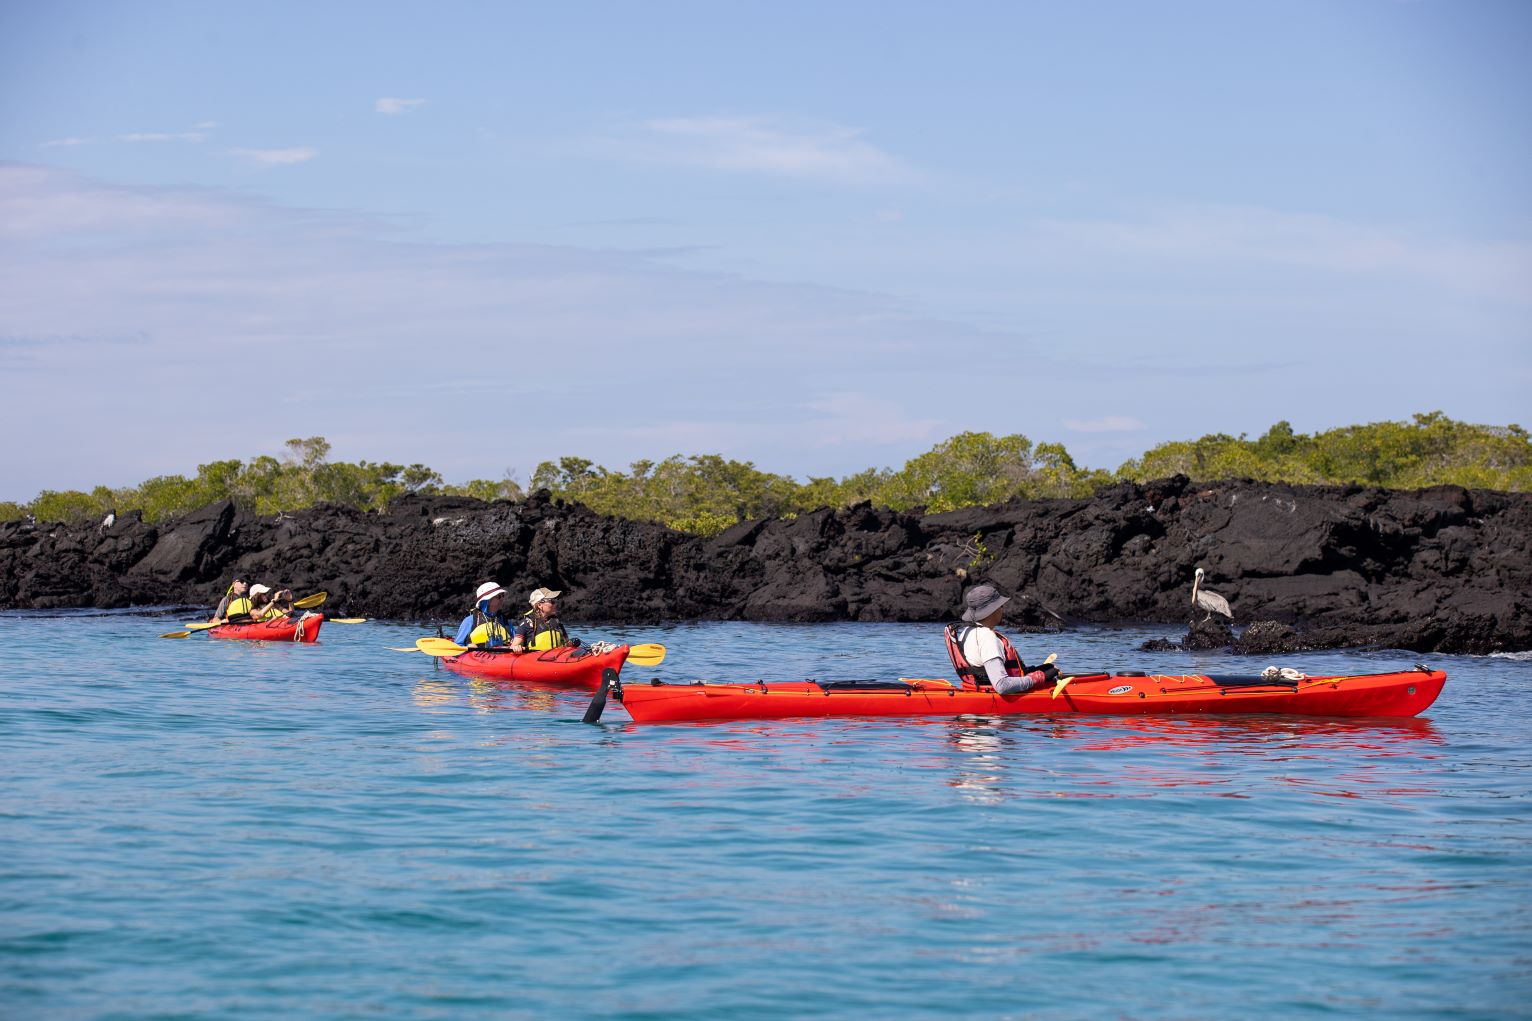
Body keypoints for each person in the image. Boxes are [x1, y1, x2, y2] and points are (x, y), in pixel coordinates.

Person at [943, 584, 1058, 694]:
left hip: (976, 689)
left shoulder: (966, 632)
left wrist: (1037, 670)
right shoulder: (987, 637)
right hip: (993, 702)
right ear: (993, 610)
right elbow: (1002, 685)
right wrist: (1039, 677)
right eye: (1000, 606)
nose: (1002, 609)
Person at [509, 587, 576, 652]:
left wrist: (572, 644)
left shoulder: (557, 623)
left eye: (556, 600)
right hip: (535, 660)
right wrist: (517, 648)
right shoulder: (527, 623)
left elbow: (567, 644)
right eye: (552, 601)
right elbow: (514, 646)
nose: (556, 604)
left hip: (556, 658)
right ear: (539, 605)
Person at [454, 582, 513, 648]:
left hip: (503, 656)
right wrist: (467, 647)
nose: (502, 599)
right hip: (475, 656)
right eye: (499, 596)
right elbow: (457, 646)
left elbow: (516, 643)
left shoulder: (505, 622)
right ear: (487, 600)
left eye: (503, 595)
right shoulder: (470, 621)